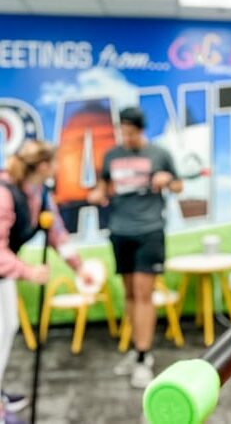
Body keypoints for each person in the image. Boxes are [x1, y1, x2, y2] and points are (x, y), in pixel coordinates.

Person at [88, 106, 182, 389]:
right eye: (123, 131)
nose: (126, 137)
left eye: (131, 132)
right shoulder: (112, 155)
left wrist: (167, 181)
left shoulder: (159, 153)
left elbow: (178, 186)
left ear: (140, 130)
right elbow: (103, 187)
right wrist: (97, 194)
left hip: (149, 230)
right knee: (129, 293)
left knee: (143, 294)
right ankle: (136, 348)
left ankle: (144, 356)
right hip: (120, 231)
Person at [0, 140, 86, 424]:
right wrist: (27, 271)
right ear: (44, 166)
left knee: (7, 328)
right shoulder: (4, 193)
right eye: (56, 162)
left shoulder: (40, 193)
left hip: (4, 276)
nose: (60, 167)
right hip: (6, 269)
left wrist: (79, 267)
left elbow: (57, 233)